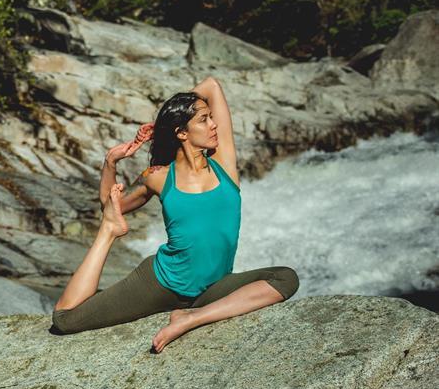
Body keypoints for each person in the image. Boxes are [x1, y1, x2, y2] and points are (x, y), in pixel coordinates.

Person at [50, 76, 299, 353]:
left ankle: (190, 318)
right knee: (66, 320)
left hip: (211, 290)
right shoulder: (158, 177)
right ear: (182, 132)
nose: (213, 124)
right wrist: (111, 162)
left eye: (210, 117)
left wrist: (162, 124)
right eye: (204, 120)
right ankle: (108, 234)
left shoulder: (223, 162)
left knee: (286, 278)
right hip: (161, 283)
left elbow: (212, 85)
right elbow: (110, 205)